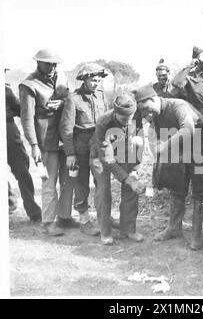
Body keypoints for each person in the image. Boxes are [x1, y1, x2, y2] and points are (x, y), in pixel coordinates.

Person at [134, 85, 203, 250]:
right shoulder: (155, 112)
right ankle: (174, 227)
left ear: (154, 98)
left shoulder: (178, 105)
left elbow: (188, 129)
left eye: (147, 109)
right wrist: (157, 147)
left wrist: (165, 146)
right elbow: (155, 131)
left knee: (200, 191)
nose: (147, 114)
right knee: (176, 187)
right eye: (143, 112)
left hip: (201, 144)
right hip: (180, 146)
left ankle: (196, 234)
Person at [19, 48, 69, 236]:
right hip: (46, 140)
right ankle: (48, 222)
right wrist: (33, 145)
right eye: (48, 63)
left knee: (67, 181)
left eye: (54, 64)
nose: (52, 67)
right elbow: (26, 117)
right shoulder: (29, 85)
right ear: (38, 63)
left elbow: (69, 101)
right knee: (49, 182)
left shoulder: (61, 79)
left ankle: (65, 217)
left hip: (65, 138)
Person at [59, 63, 109, 236]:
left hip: (99, 143)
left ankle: (104, 218)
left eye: (98, 80)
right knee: (81, 183)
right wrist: (70, 153)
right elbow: (66, 129)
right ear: (84, 79)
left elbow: (108, 118)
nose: (96, 83)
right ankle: (85, 220)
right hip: (80, 144)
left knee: (102, 181)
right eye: (93, 80)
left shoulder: (102, 95)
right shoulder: (73, 99)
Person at [92, 93, 145, 245]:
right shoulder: (104, 122)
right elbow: (107, 158)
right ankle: (105, 231)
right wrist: (126, 178)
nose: (127, 122)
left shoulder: (136, 117)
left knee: (132, 187)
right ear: (115, 113)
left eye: (130, 119)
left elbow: (138, 145)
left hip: (124, 152)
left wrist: (134, 170)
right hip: (100, 156)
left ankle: (128, 229)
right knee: (104, 191)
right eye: (123, 119)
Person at [6, 79, 42, 221]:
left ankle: (33, 211)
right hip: (9, 130)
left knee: (22, 170)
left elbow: (21, 110)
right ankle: (9, 203)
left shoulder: (6, 90)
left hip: (9, 130)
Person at [172, 46, 203, 127]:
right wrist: (189, 67)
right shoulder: (190, 76)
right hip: (198, 121)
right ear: (196, 60)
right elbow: (176, 83)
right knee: (198, 140)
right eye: (202, 57)